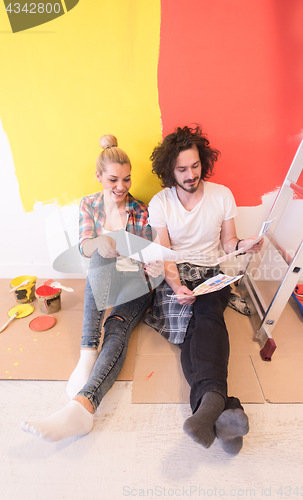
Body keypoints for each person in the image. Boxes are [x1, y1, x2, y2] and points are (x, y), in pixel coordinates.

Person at [21, 134, 163, 442]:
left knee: (117, 327)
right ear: (99, 176)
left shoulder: (141, 210)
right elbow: (85, 247)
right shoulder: (89, 205)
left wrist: (152, 265)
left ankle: (83, 408)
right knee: (98, 257)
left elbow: (149, 255)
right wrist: (99, 242)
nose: (121, 186)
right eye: (113, 179)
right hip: (104, 275)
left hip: (136, 282)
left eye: (126, 179)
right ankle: (88, 352)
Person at [145, 125, 263, 454]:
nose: (190, 174)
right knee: (189, 326)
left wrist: (244, 245)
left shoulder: (222, 195)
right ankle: (223, 406)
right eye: (182, 169)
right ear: (170, 169)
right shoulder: (160, 203)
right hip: (176, 273)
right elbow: (164, 253)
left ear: (203, 163)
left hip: (212, 272)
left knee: (208, 317)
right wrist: (177, 286)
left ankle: (207, 406)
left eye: (195, 165)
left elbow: (228, 242)